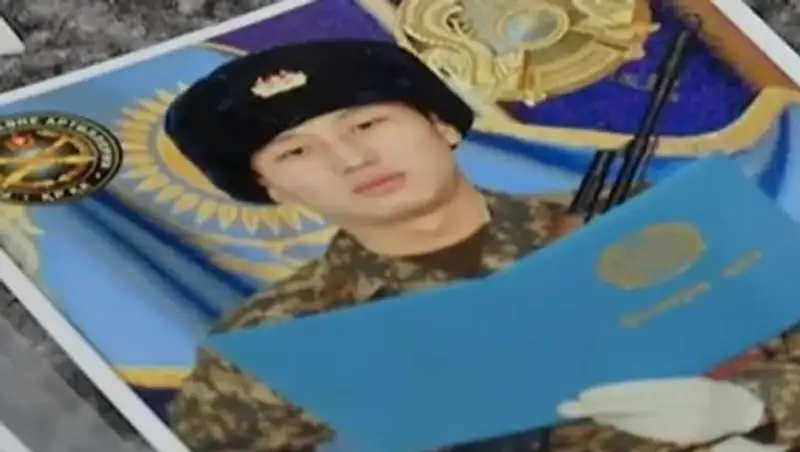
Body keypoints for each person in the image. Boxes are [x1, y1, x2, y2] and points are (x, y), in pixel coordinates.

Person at [164, 40, 799, 452]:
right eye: (296, 152)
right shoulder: (271, 344)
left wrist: (749, 407)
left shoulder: (657, 224)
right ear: (270, 188)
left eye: (368, 123)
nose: (352, 159)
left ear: (441, 125)